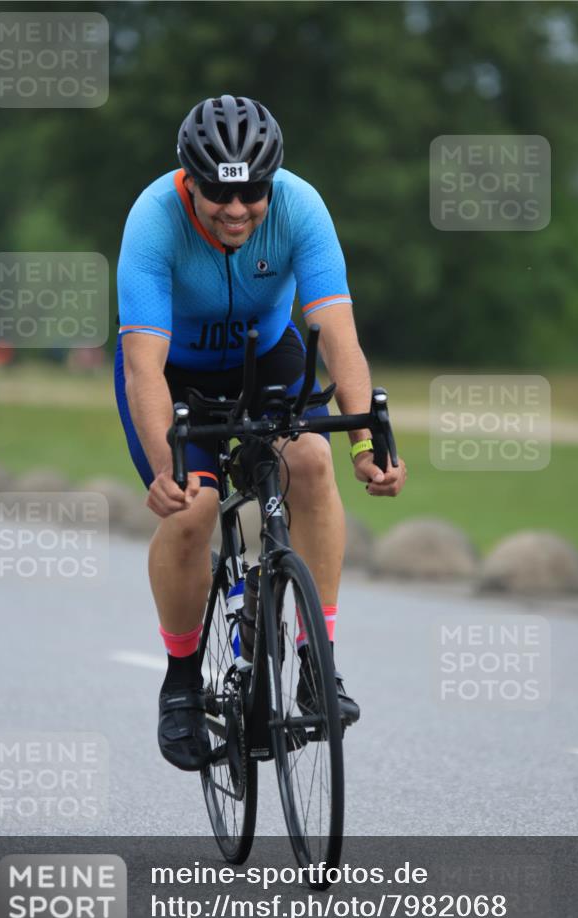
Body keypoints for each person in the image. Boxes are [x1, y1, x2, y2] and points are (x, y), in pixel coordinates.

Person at [116, 95, 406, 772]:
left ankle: (316, 663)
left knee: (310, 461)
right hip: (175, 375)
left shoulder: (302, 207)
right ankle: (182, 681)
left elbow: (338, 335)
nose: (237, 208)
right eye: (219, 191)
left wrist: (368, 442)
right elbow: (143, 368)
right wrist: (168, 467)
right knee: (192, 511)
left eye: (252, 192)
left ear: (272, 182)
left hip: (266, 356)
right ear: (189, 179)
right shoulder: (153, 221)